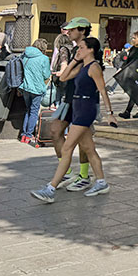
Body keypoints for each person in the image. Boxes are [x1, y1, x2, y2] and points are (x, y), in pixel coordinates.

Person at [31, 36, 114, 202]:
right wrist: (75, 60)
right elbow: (63, 77)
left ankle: (51, 188)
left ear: (91, 50)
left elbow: (103, 90)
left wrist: (110, 113)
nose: (79, 50)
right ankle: (101, 182)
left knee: (67, 147)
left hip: (86, 109)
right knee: (89, 148)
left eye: (82, 48)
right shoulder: (82, 66)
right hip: (77, 107)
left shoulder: (94, 67)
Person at [50, 17, 93, 191]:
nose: (68, 32)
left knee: (84, 139)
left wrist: (67, 72)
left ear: (82, 30)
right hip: (69, 98)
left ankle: (84, 175)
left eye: (72, 29)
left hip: (83, 99)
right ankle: (67, 171)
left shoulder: (90, 47)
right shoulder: (75, 48)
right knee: (55, 131)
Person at [20, 39, 50, 146]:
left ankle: (23, 135)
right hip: (37, 88)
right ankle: (29, 135)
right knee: (34, 111)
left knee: (28, 110)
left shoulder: (25, 55)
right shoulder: (44, 58)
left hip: (25, 87)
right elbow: (46, 75)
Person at [117, 31, 138, 119]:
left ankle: (130, 111)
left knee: (135, 92)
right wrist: (121, 69)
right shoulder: (133, 49)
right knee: (133, 93)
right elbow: (128, 61)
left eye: (134, 38)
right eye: (132, 38)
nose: (133, 40)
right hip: (131, 73)